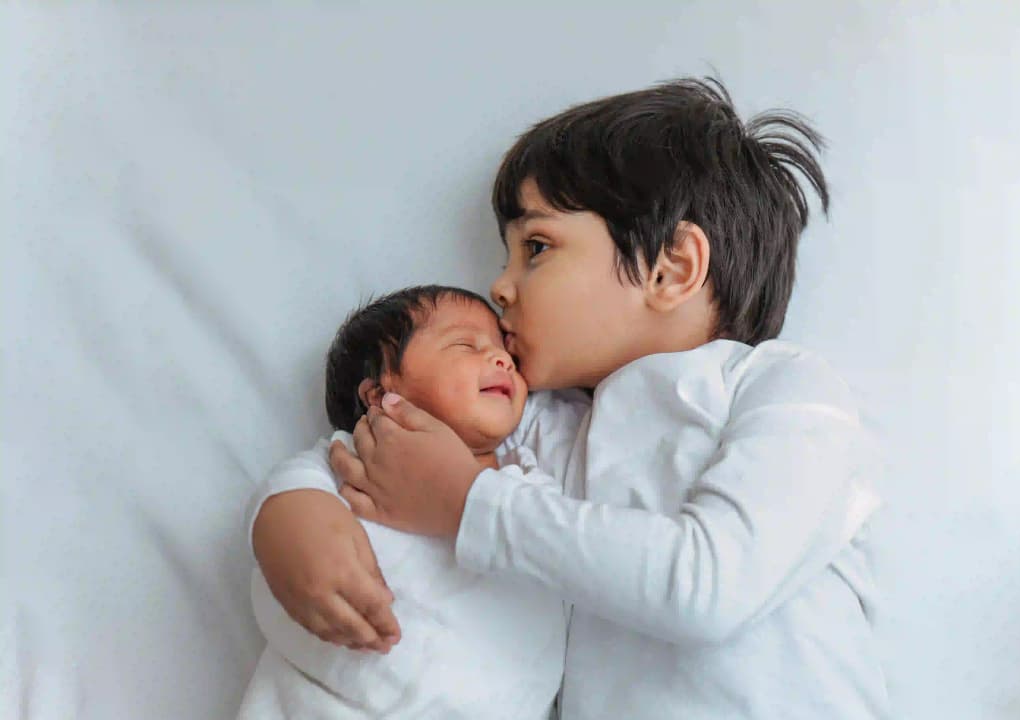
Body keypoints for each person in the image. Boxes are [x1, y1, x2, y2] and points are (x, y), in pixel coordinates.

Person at [251, 77, 890, 718]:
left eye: (536, 247)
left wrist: (467, 503)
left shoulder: (787, 393)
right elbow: (377, 449)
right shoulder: (543, 426)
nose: (499, 288)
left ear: (670, 269)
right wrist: (291, 522)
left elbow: (707, 587)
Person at [238, 285, 587, 720]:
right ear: (380, 394)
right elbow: (290, 494)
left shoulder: (532, 483)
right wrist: (295, 530)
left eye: (508, 357)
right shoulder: (360, 459)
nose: (501, 360)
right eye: (466, 344)